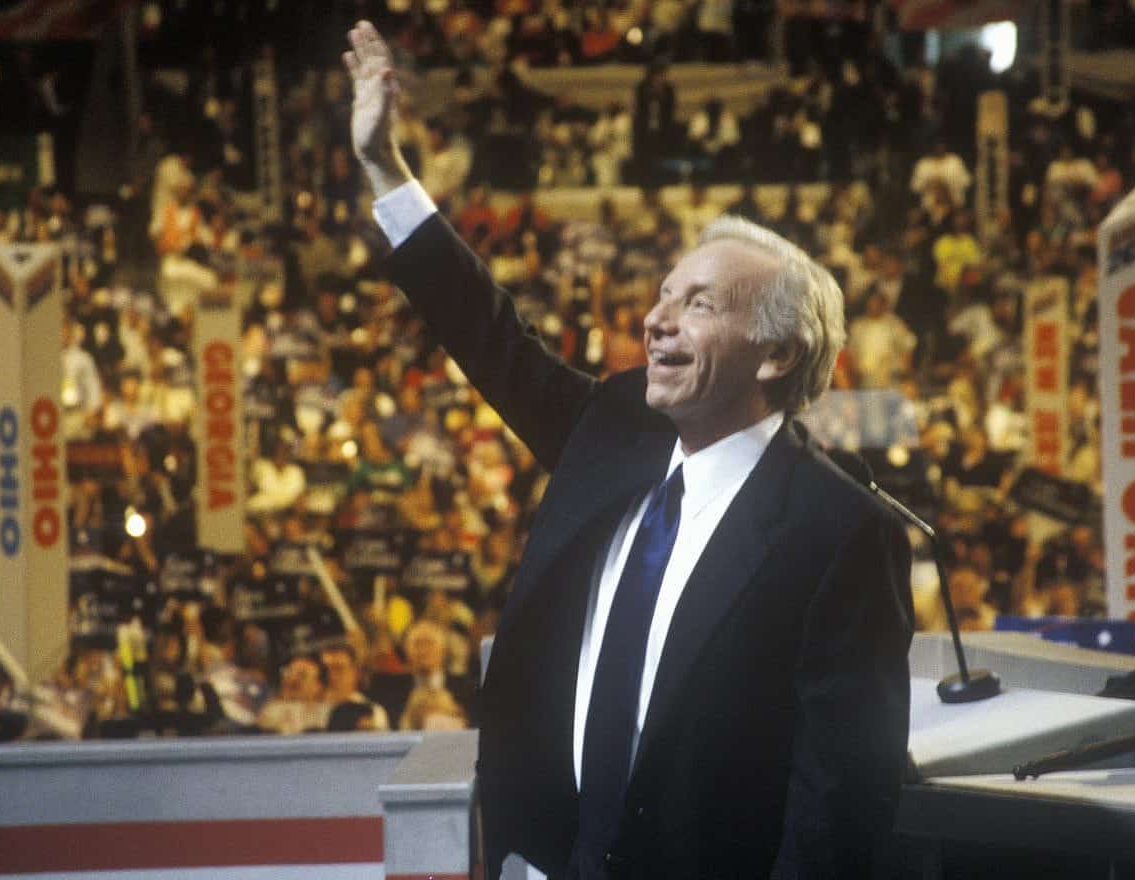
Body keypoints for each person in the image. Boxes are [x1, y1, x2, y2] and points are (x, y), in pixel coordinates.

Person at [343, 21, 913, 880]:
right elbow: (490, 335)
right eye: (662, 296)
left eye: (698, 305)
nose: (655, 320)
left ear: (777, 353)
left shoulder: (840, 532)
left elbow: (839, 808)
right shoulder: (616, 431)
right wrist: (388, 170)